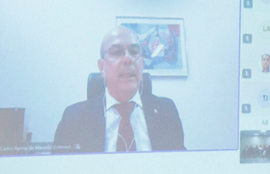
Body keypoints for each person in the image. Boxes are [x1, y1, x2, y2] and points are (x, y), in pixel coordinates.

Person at [53, 26, 185, 153]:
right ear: (102, 67)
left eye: (134, 52)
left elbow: (180, 167)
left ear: (142, 64)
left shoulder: (166, 112)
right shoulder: (74, 118)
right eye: (116, 52)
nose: (128, 59)